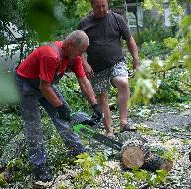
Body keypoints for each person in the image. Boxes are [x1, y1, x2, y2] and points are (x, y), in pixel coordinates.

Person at [15, 30, 102, 184]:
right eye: (80, 51)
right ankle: (39, 166)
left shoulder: (74, 57)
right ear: (70, 45)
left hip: (45, 84)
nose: (81, 55)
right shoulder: (51, 54)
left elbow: (83, 81)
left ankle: (78, 152)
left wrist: (94, 105)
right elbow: (44, 87)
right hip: (27, 85)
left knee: (65, 118)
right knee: (35, 126)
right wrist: (60, 107)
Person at [78, 0, 140, 137]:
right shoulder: (84, 23)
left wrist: (136, 58)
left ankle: (123, 122)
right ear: (91, 6)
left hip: (116, 62)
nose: (101, 9)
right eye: (98, 7)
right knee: (102, 98)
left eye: (104, 6)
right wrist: (85, 64)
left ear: (108, 4)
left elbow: (129, 39)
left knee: (123, 82)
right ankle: (109, 131)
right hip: (96, 68)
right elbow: (77, 49)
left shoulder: (117, 19)